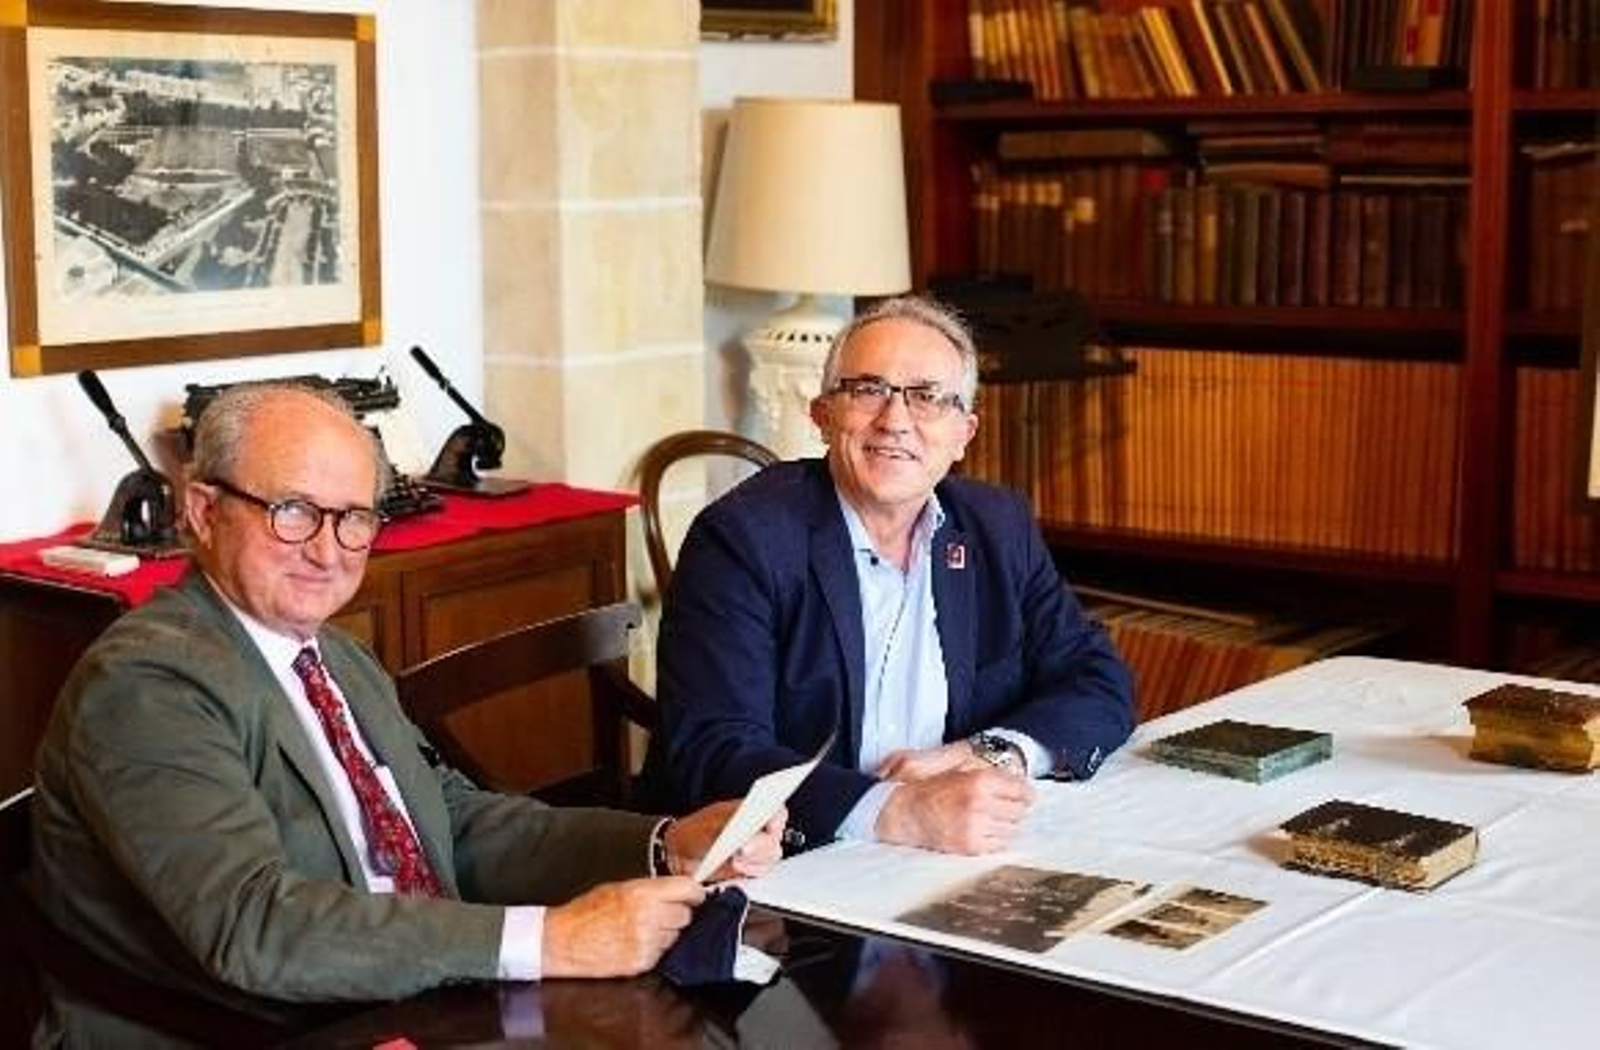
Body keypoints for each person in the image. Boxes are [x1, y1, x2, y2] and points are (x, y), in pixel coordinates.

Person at [29, 383, 784, 1045]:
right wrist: (551, 939)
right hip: (261, 1030)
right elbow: (254, 925)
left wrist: (662, 845)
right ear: (203, 510)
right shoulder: (149, 682)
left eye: (354, 518)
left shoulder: (334, 655)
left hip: (411, 1003)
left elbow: (452, 824)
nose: (328, 551)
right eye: (293, 512)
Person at [655, 295, 1133, 856]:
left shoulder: (997, 527)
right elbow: (712, 747)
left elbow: (1098, 679)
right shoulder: (743, 539)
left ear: (964, 433)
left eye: (927, 397)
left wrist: (991, 753)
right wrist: (896, 810)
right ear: (823, 415)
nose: (896, 421)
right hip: (788, 863)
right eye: (868, 389)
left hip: (951, 849)